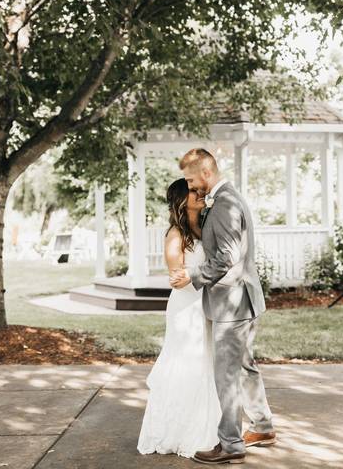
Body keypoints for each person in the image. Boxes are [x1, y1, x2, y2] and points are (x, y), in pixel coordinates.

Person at [170, 148, 275, 465]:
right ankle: (263, 427)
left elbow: (227, 258)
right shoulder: (225, 198)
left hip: (232, 304)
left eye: (191, 180)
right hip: (240, 301)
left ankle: (230, 444)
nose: (190, 186)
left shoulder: (226, 202)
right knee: (244, 367)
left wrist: (192, 274)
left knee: (227, 375)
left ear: (205, 173)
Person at [137, 178, 221, 458]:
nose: (200, 194)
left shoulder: (206, 225)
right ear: (181, 200)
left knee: (206, 364)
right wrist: (207, 276)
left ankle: (209, 427)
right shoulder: (176, 234)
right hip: (186, 308)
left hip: (206, 304)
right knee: (187, 364)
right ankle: (179, 432)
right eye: (193, 191)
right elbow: (177, 279)